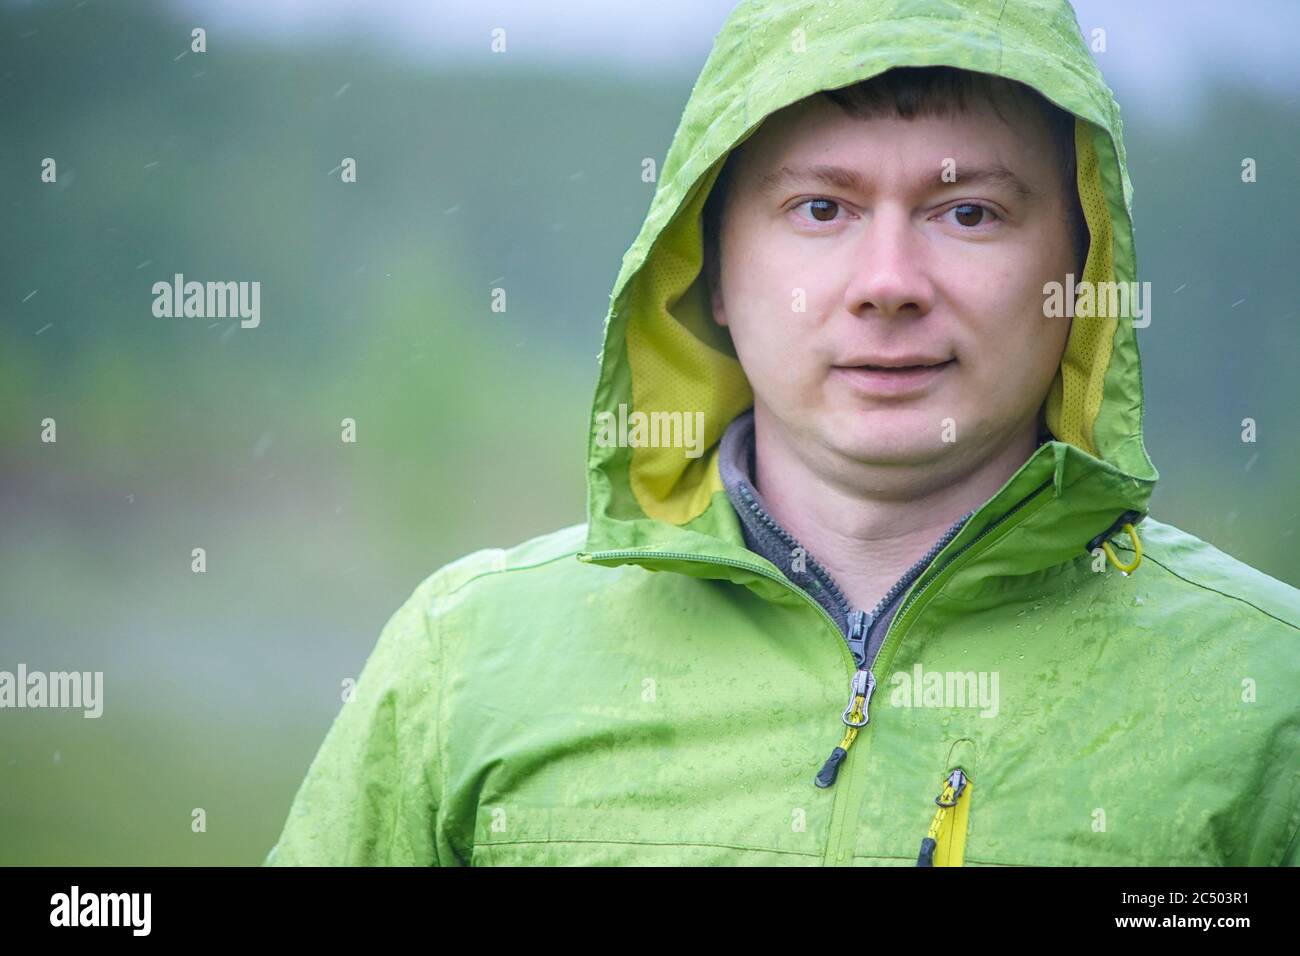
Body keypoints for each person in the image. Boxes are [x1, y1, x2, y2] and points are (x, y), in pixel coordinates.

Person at [265, 0, 1300, 866]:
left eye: (968, 213)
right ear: (710, 266)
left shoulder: (1266, 696)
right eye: (819, 209)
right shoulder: (466, 662)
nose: (888, 283)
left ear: (1082, 270)